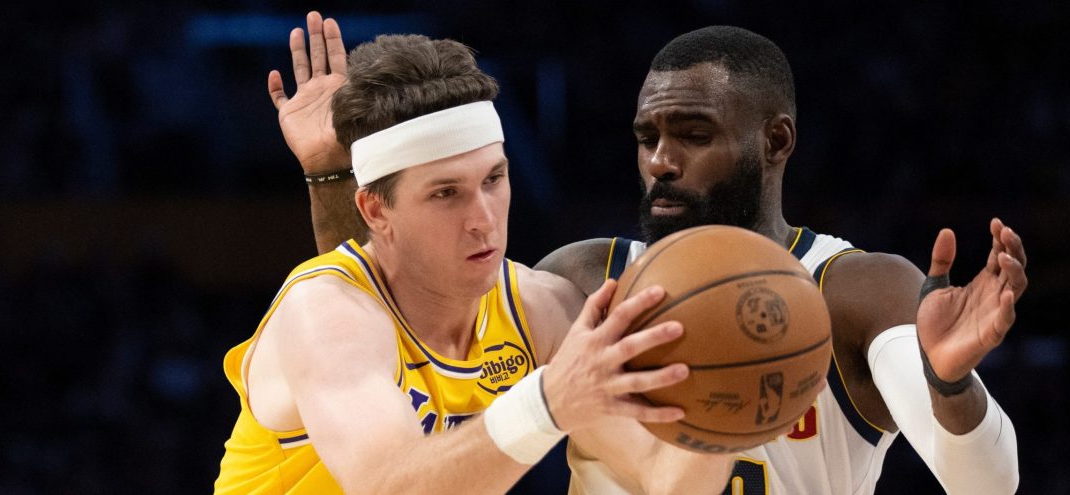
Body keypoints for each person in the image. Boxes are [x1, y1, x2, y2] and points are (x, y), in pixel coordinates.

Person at [280, 15, 1025, 495]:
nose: (661, 162)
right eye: (647, 139)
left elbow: (988, 486)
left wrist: (950, 384)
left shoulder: (854, 290)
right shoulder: (581, 282)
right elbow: (387, 312)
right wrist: (334, 177)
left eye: (693, 135)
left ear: (775, 141)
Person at [213, 15, 725, 494]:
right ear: (374, 209)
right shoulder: (322, 315)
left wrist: (725, 389)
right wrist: (548, 403)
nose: (483, 218)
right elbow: (392, 486)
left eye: (493, 179)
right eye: (446, 193)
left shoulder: (539, 307)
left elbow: (668, 480)